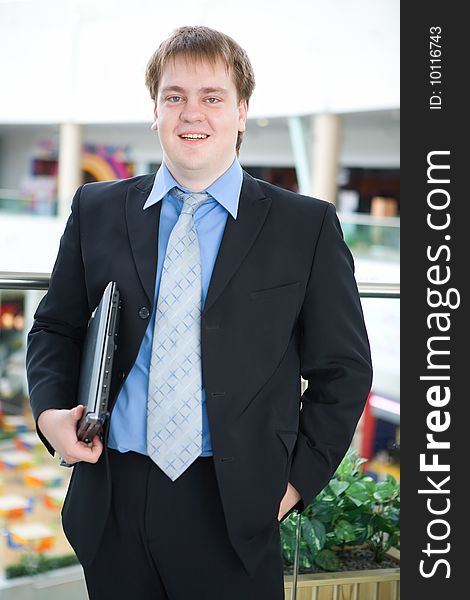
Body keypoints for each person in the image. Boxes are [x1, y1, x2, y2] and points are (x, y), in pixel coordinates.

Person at [26, 25, 373, 600]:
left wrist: (291, 487)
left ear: (241, 112)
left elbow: (343, 370)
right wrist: (50, 416)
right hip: (113, 492)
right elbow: (54, 328)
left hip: (235, 504)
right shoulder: (98, 209)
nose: (193, 113)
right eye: (174, 96)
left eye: (212, 97)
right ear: (155, 112)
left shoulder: (304, 227)